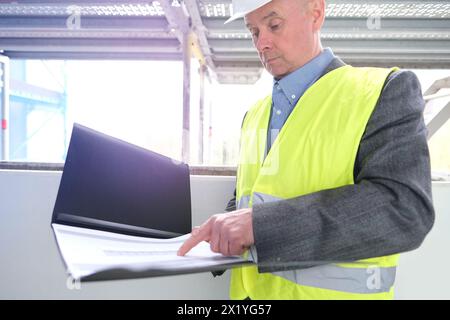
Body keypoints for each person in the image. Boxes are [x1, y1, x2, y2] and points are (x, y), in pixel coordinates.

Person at [178, 0, 435, 300]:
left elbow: (403, 210)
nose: (262, 43)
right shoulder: (254, 115)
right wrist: (221, 234)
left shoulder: (382, 92)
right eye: (253, 31)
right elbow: (251, 196)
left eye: (274, 25)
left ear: (316, 12)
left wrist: (258, 227)